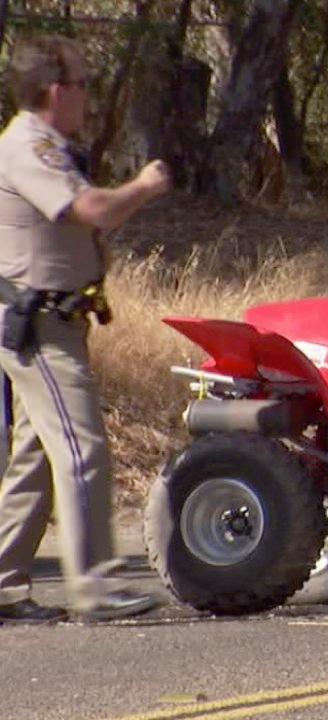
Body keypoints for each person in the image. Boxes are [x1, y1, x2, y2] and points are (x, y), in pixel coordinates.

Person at [0, 35, 171, 623]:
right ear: (55, 89)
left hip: (54, 319)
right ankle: (98, 586)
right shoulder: (28, 147)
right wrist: (145, 186)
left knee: (38, 455)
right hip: (39, 325)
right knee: (81, 447)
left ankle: (1, 579)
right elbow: (93, 210)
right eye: (82, 84)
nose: (89, 98)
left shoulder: (45, 145)